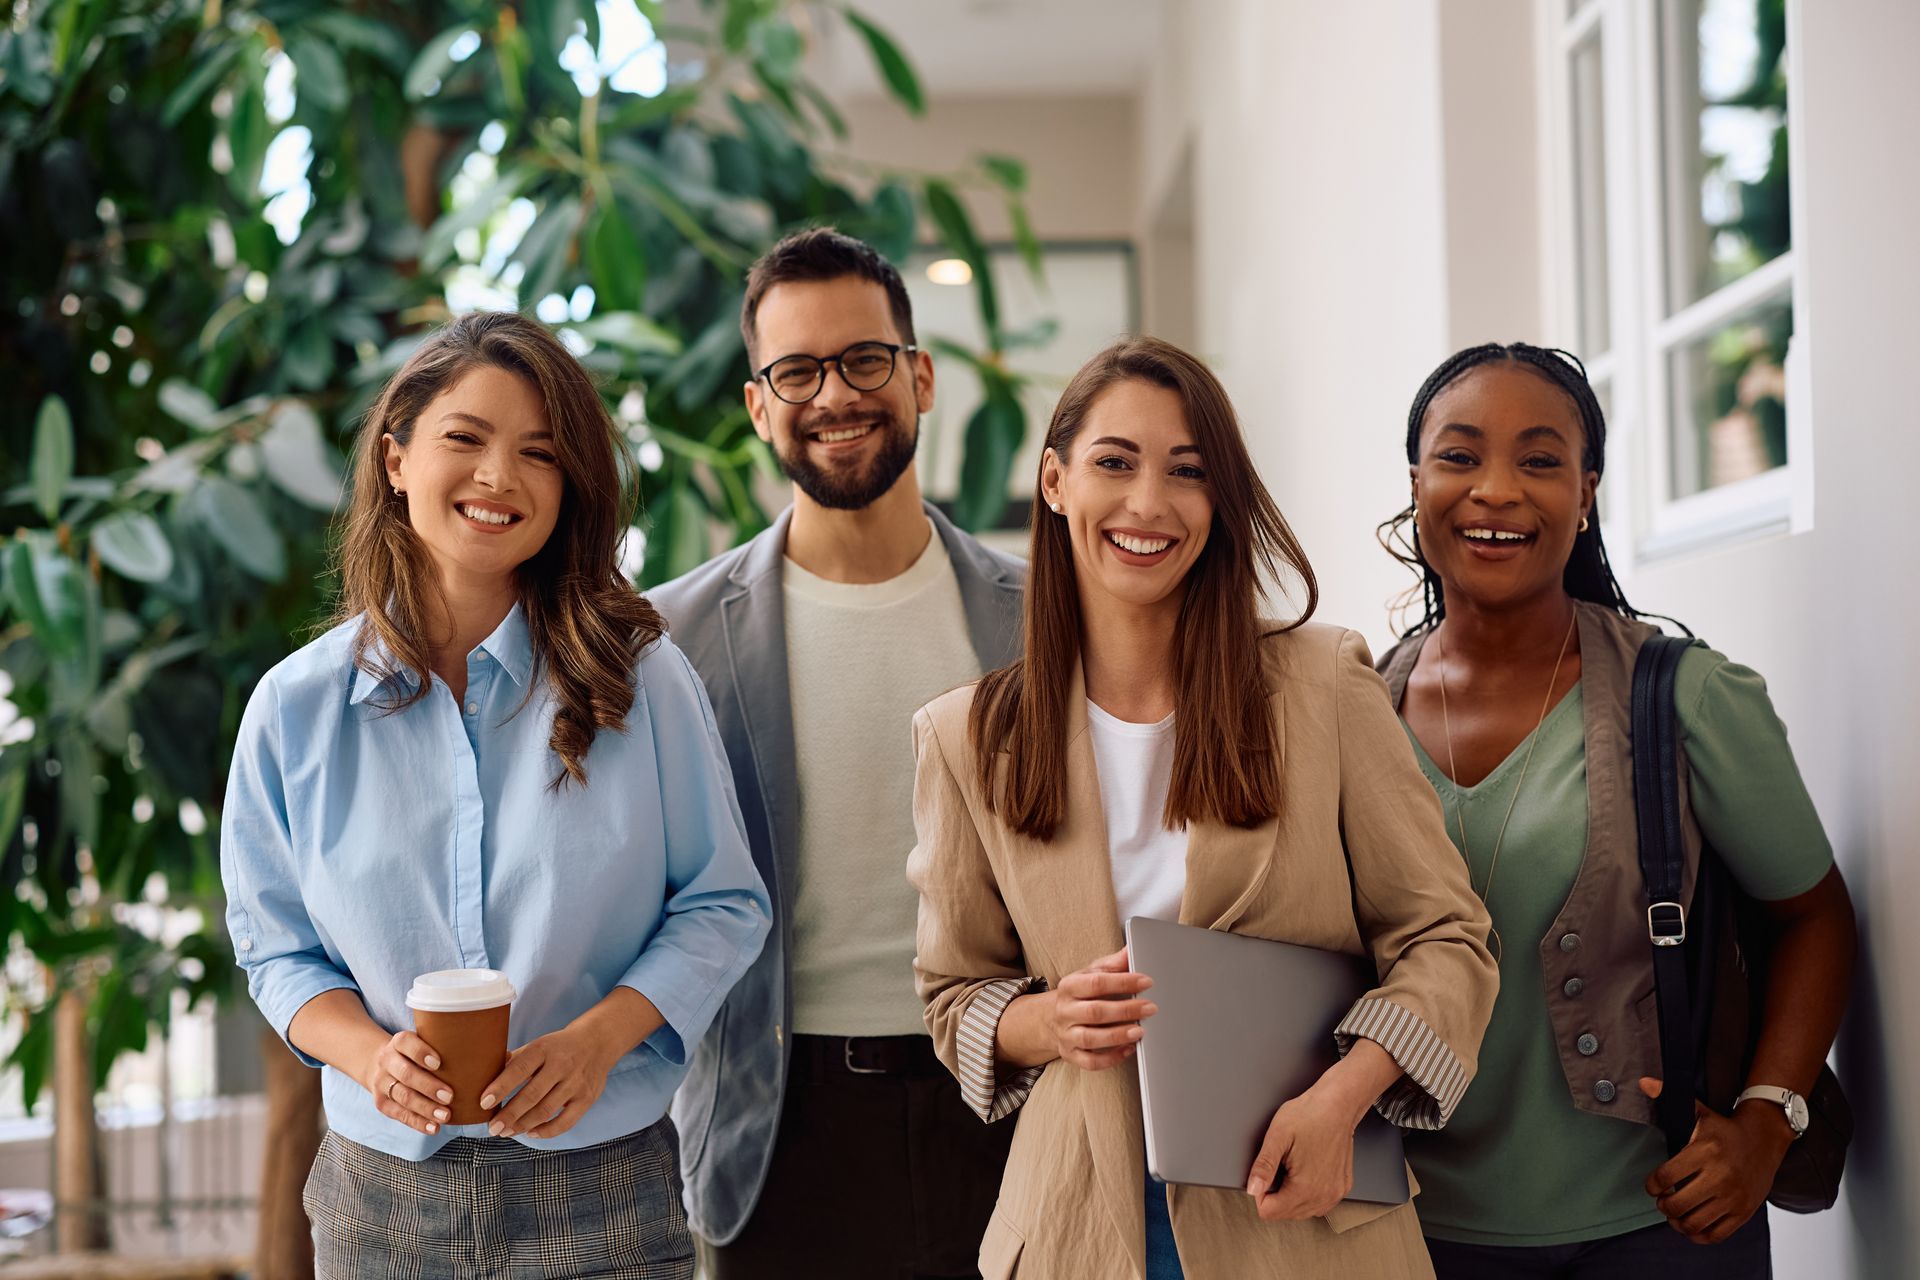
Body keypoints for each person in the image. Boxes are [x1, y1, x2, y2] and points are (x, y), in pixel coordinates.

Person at [908, 336, 1499, 1279]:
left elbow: (1446, 939)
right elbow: (953, 996)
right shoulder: (966, 737)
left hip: (1301, 1210)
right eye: (1115, 463)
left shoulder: (1322, 684)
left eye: (1188, 471)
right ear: (1055, 482)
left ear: (1219, 501)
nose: (1148, 504)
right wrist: (1047, 1022)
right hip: (1079, 1225)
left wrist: (1343, 1097)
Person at [220, 311, 769, 1280]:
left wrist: (598, 1042)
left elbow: (726, 902)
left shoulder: (642, 682)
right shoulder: (294, 709)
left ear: (571, 486)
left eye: (539, 453)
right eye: (464, 439)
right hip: (376, 1201)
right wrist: (366, 1055)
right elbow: (275, 947)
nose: (496, 478)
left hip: (605, 1189)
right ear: (396, 460)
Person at [1374, 341, 1857, 1278]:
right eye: (1461, 456)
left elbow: (1814, 916)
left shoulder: (1686, 698)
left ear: (1586, 491)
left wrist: (1765, 1121)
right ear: (1417, 482)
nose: (1498, 490)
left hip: (1655, 1232)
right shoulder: (1352, 709)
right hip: (1405, 1237)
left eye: (1541, 460)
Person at [650, 228, 1024, 1277]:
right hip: (777, 1129)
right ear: (758, 404)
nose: (836, 395)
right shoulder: (671, 637)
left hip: (1007, 1100)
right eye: (797, 371)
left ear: (921, 376)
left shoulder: (1042, 618)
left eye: (864, 360)